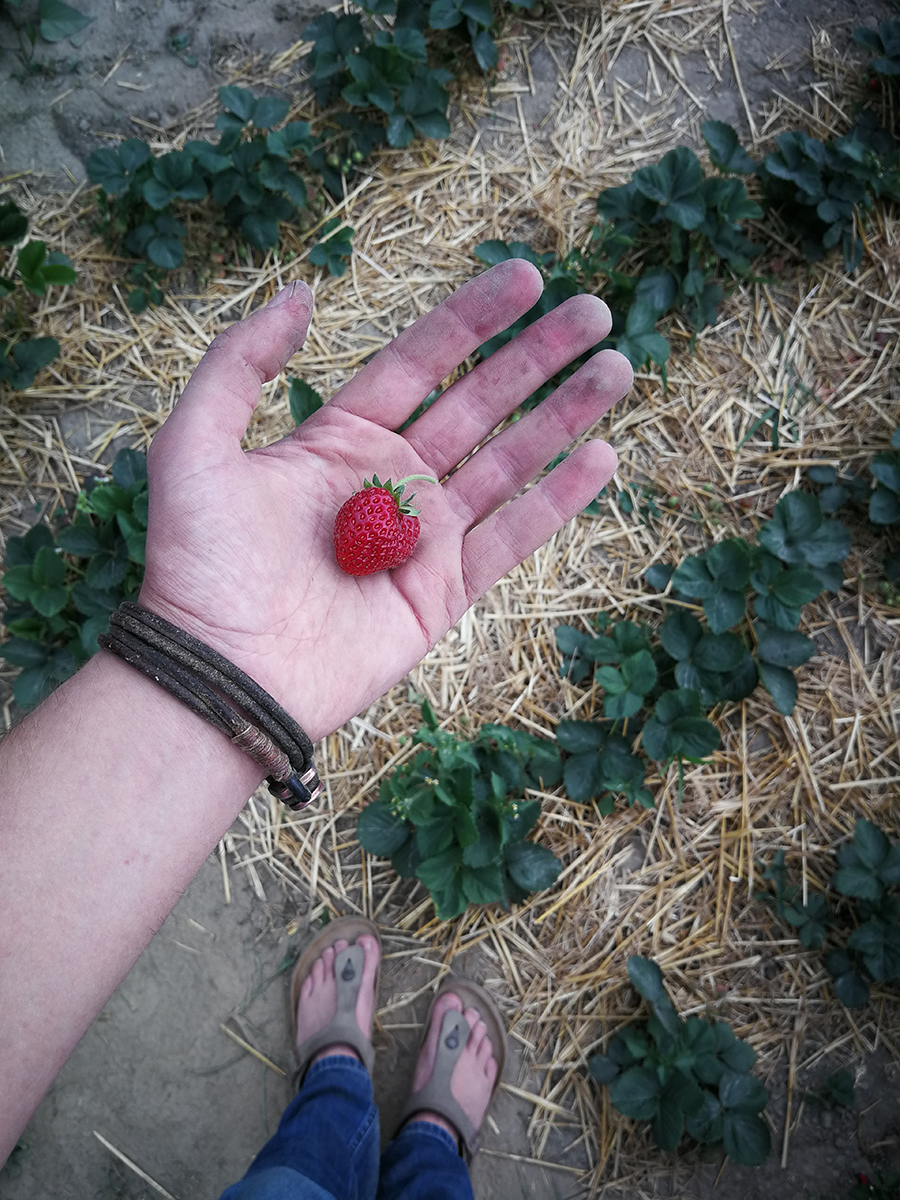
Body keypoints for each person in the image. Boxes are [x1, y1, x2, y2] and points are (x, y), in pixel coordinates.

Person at [0, 259, 633, 1188]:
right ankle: (427, 1140)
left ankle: (335, 1089)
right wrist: (208, 643)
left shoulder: (380, 521)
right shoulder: (375, 523)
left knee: (302, 1173)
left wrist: (193, 655)